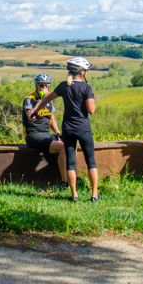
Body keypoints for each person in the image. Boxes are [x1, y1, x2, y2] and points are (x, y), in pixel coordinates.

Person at [30, 57, 99, 202]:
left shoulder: (63, 86)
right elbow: (91, 110)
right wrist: (91, 97)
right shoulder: (86, 88)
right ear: (81, 73)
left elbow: (46, 100)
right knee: (91, 161)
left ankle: (74, 195)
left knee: (70, 163)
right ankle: (94, 195)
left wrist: (35, 110)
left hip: (68, 129)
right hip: (84, 128)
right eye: (85, 71)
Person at [22, 73, 68, 187]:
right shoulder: (29, 100)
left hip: (46, 134)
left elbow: (51, 119)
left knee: (69, 145)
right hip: (33, 135)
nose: (44, 88)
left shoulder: (49, 101)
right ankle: (64, 182)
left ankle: (74, 178)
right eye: (41, 85)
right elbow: (30, 116)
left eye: (46, 86)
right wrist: (40, 102)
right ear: (36, 86)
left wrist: (58, 133)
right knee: (62, 148)